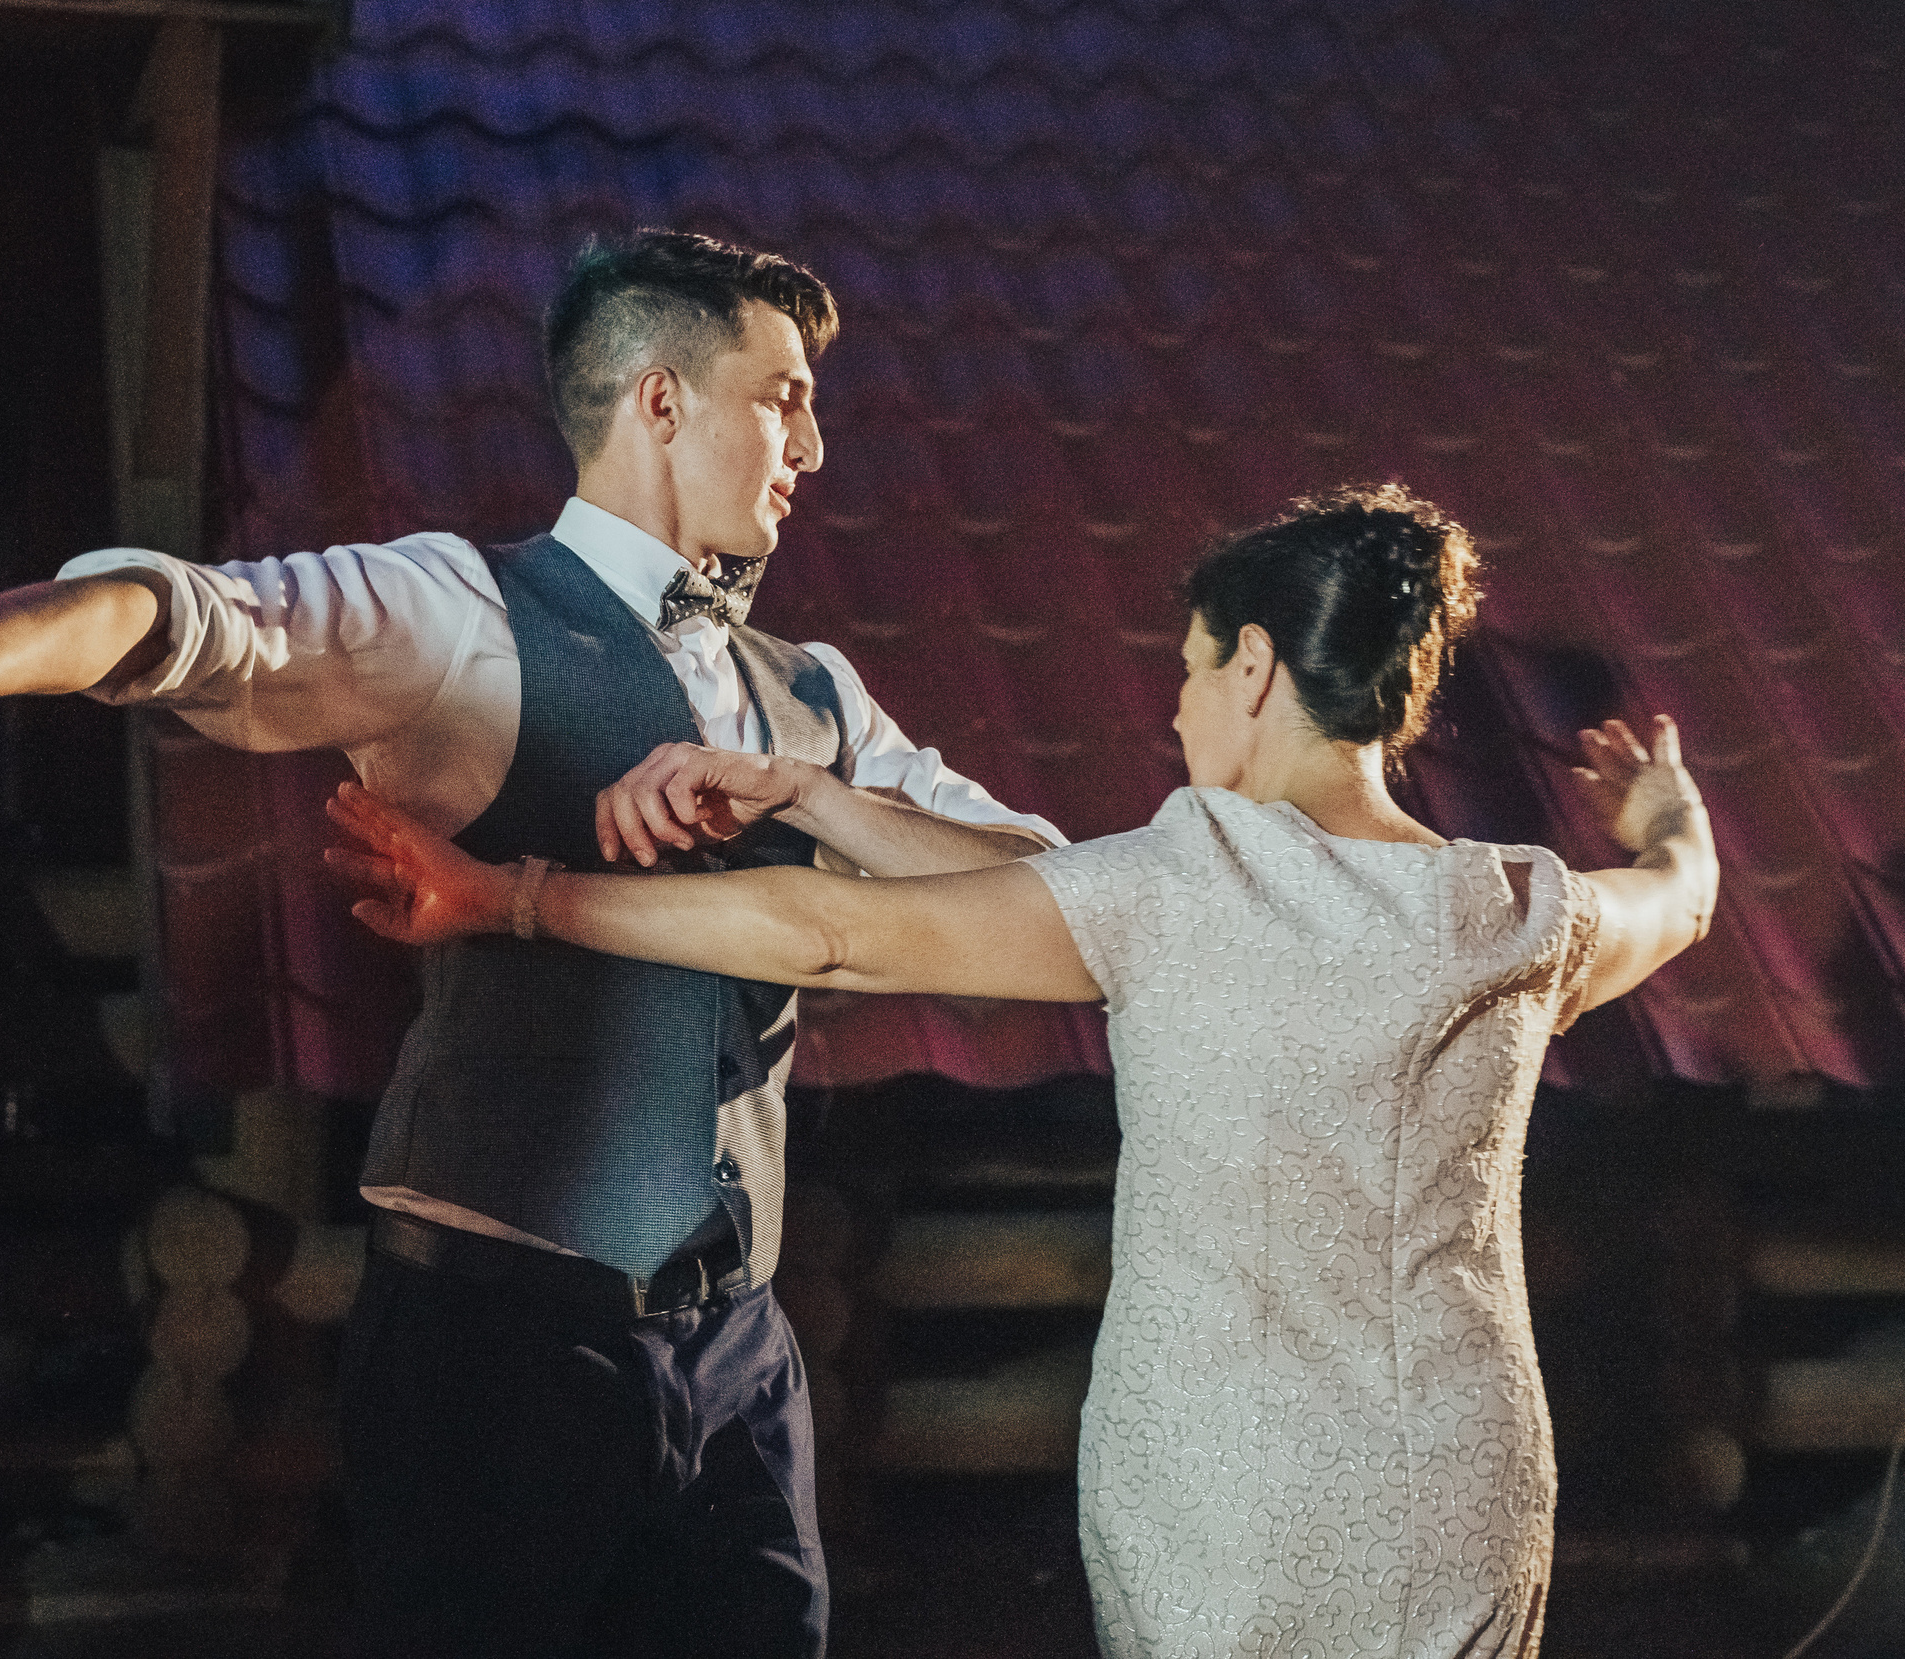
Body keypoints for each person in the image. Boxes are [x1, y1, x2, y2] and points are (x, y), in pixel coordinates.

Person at [0, 229, 1063, 1656]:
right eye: (782, 397)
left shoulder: (816, 696)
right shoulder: (459, 611)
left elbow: (1052, 890)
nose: (811, 443)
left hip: (736, 1348)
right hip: (504, 1340)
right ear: (661, 400)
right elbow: (196, 618)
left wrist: (813, 795)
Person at [323, 485, 1720, 1659]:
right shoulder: (1518, 911)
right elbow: (1681, 897)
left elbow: (828, 932)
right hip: (1459, 1483)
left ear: (1252, 666)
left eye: (1189, 672)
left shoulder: (1188, 880)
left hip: (1229, 1496)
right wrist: (1669, 816)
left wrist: (511, 897)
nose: (1179, 714)